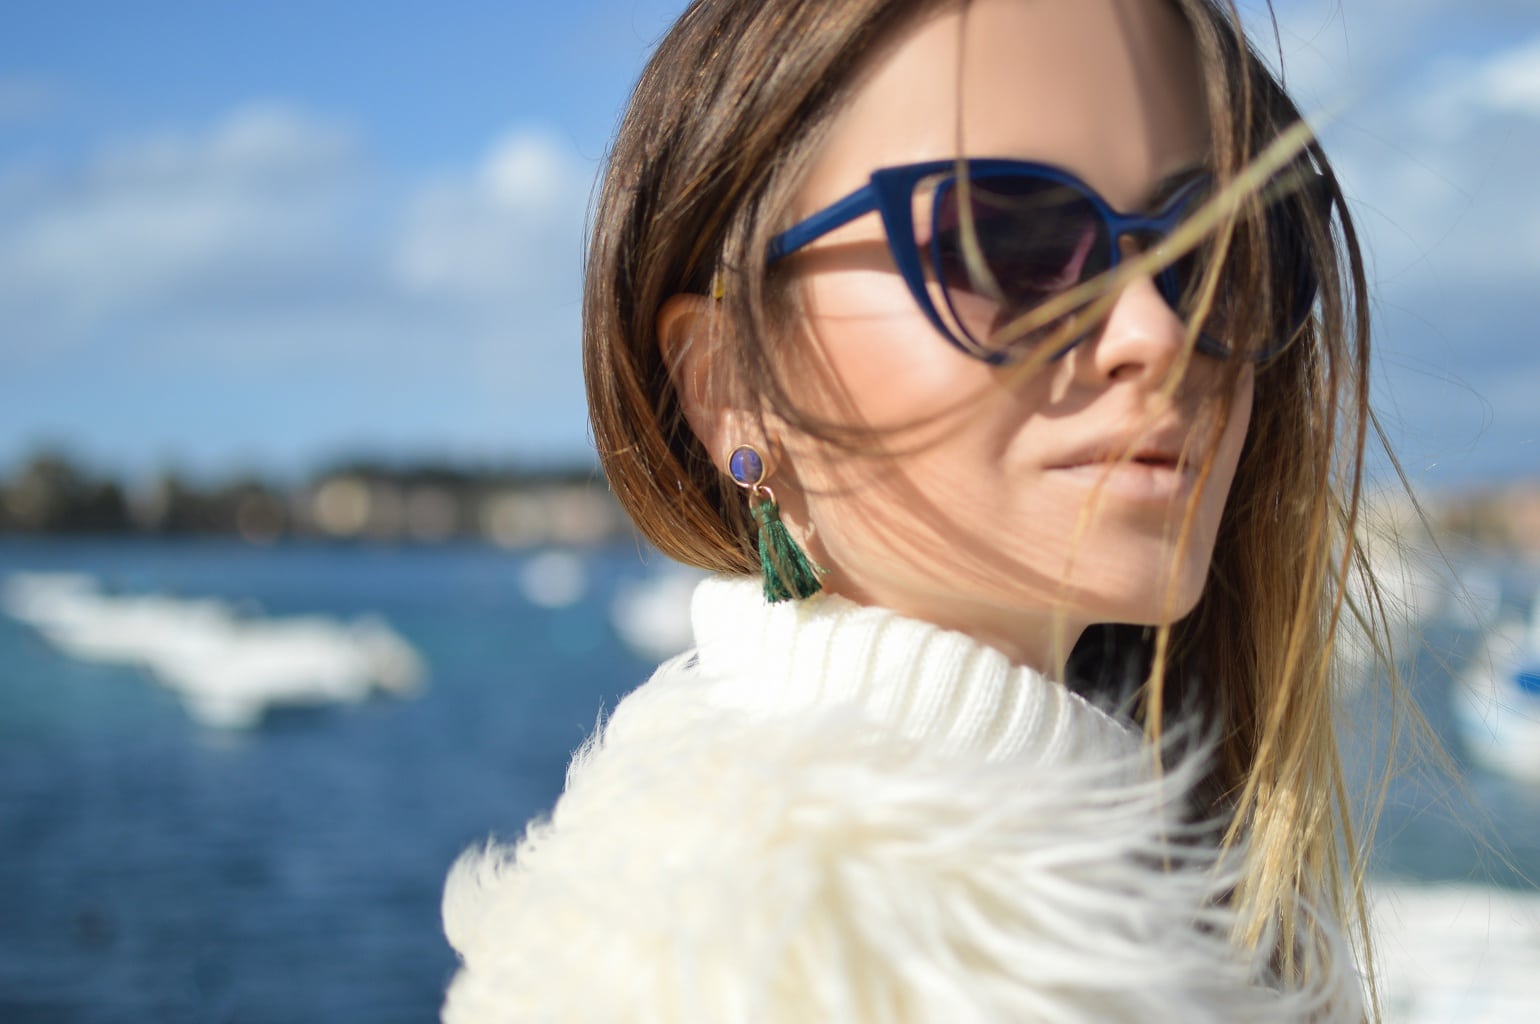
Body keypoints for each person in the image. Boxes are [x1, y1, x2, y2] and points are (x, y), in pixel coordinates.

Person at [442, 0, 1394, 1019]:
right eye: (1009, 243)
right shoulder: (735, 969)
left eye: (1221, 251)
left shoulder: (1152, 911)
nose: (1158, 333)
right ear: (727, 385)